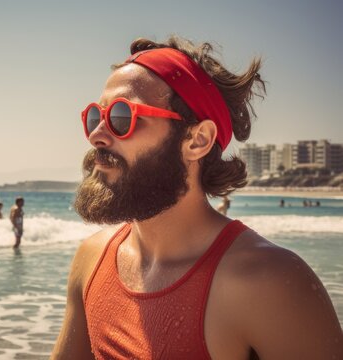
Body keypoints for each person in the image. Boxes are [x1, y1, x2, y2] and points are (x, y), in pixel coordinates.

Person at [51, 35, 343, 359]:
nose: (96, 135)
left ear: (197, 139)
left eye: (121, 117)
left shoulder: (268, 282)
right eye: (96, 116)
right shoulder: (91, 259)